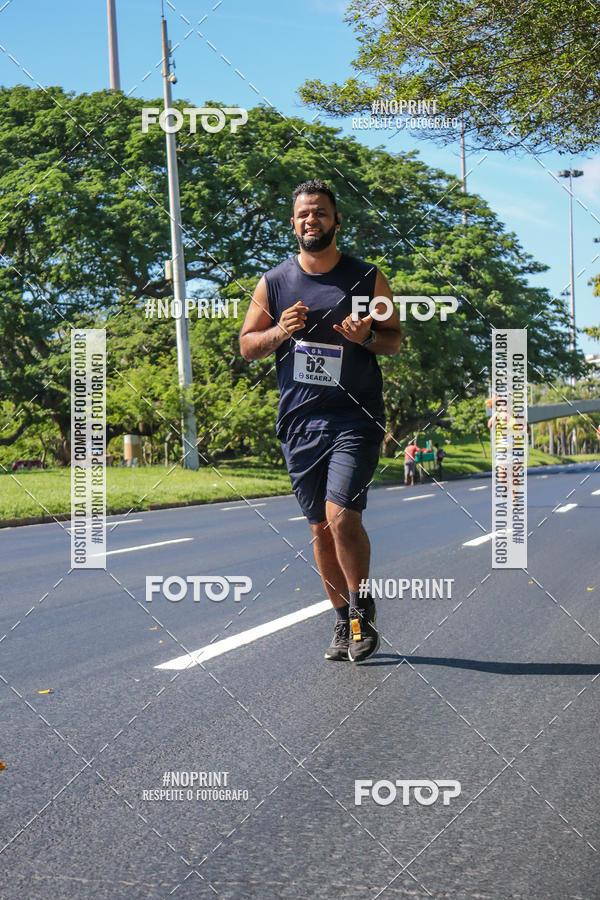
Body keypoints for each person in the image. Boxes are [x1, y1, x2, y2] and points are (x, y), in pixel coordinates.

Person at [239, 179, 402, 662]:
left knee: (341, 515)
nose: (312, 219)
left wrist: (365, 338)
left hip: (356, 416)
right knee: (319, 530)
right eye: (304, 214)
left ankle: (362, 613)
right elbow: (247, 346)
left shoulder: (367, 277)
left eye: (321, 212)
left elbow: (393, 339)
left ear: (336, 220)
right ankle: (341, 619)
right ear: (293, 223)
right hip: (300, 422)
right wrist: (279, 331)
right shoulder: (273, 283)